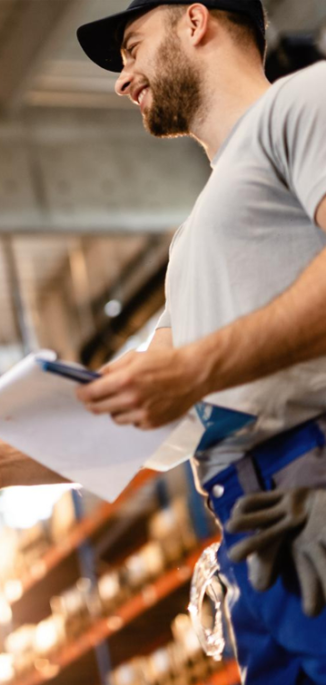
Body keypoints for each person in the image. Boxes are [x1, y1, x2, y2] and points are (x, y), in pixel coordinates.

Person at [67, 0, 326, 680]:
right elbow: (153, 402)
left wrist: (197, 368)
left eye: (131, 47)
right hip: (256, 525)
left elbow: (186, 374)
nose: (124, 79)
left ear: (194, 21)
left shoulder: (304, 101)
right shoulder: (194, 241)